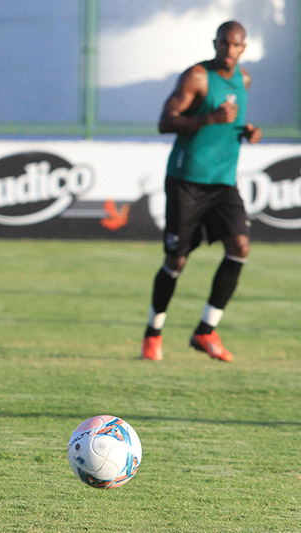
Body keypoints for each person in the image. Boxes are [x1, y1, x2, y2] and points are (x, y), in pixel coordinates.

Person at [141, 21, 261, 363]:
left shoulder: (245, 80)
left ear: (243, 48)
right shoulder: (196, 77)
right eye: (223, 44)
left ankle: (206, 330)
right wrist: (209, 118)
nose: (228, 50)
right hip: (187, 179)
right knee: (176, 259)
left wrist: (247, 132)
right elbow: (165, 121)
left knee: (239, 247)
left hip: (223, 181)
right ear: (215, 43)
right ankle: (153, 333)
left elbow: (231, 124)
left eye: (235, 45)